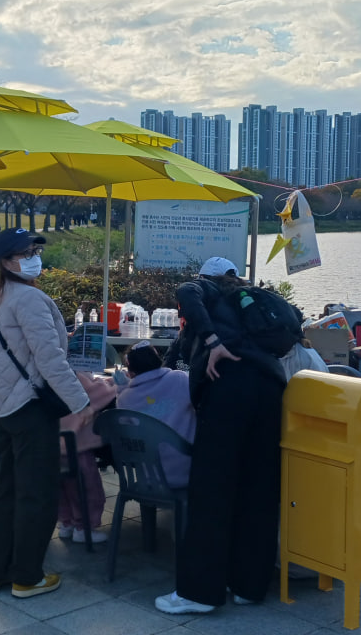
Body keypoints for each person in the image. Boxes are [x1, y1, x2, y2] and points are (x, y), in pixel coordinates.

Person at [154, 256, 287, 615]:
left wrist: (212, 342)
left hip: (227, 388)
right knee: (258, 491)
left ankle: (199, 593)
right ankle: (248, 586)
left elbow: (185, 291)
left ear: (208, 277)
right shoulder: (252, 299)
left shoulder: (208, 290)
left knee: (211, 491)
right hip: (270, 391)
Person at [0, 228, 89, 599]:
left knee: (5, 491)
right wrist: (81, 403)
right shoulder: (29, 298)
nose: (34, 258)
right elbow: (50, 361)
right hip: (29, 409)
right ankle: (27, 577)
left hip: (2, 409)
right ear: (6, 261)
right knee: (36, 494)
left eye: (35, 251)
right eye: (25, 253)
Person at [117, 341, 196, 488]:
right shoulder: (179, 379)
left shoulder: (125, 398)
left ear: (130, 371)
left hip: (150, 478)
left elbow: (125, 434)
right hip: (189, 473)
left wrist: (122, 389)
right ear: (158, 359)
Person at [57, 373, 116, 544]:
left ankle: (66, 523)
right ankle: (84, 528)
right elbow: (100, 393)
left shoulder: (46, 373)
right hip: (77, 443)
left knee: (61, 487)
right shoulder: (71, 373)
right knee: (87, 488)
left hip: (54, 441)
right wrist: (115, 383)